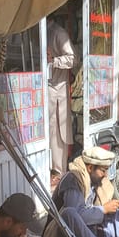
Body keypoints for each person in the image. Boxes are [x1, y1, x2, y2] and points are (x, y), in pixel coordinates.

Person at [47, 16, 75, 176]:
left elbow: (72, 59)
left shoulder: (58, 33)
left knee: (57, 132)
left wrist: (53, 61)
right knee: (50, 132)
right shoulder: (42, 31)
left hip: (57, 89)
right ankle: (53, 169)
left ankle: (59, 171)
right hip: (47, 88)